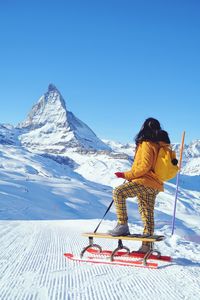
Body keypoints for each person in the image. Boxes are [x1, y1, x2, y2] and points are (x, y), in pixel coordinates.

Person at [109, 117, 172, 253]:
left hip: (144, 181)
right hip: (155, 184)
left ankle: (122, 225)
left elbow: (144, 166)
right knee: (147, 213)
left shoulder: (146, 143)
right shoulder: (161, 145)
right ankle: (146, 247)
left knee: (118, 192)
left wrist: (126, 175)